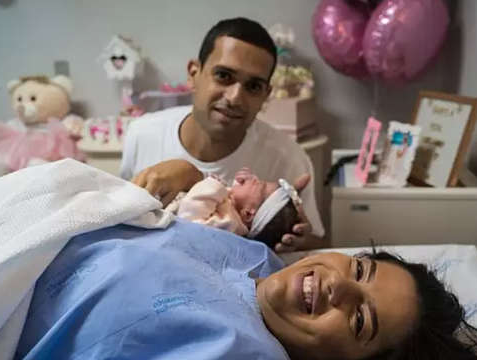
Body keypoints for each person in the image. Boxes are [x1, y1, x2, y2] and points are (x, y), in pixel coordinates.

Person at [11, 220, 477, 360]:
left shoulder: (246, 358)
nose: (340, 284)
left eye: (359, 321)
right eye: (360, 269)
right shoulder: (257, 259)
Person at [120, 17, 324, 252]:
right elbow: (119, 224)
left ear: (266, 95)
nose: (235, 97)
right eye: (224, 76)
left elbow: (320, 248)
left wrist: (302, 243)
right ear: (194, 73)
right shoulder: (142, 135)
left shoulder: (289, 159)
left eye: (253, 86)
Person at [167, 167, 300, 248]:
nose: (254, 178)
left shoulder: (228, 224)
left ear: (248, 214)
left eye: (260, 184)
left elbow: (189, 220)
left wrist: (214, 186)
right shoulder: (230, 208)